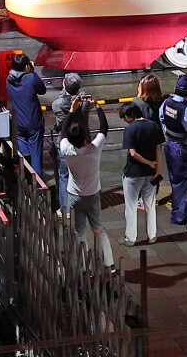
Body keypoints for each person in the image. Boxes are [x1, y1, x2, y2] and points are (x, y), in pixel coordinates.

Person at [57, 95, 113, 270]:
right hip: (93, 194)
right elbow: (104, 128)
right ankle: (109, 263)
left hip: (74, 196)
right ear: (85, 138)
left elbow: (63, 131)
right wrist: (98, 106)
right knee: (98, 229)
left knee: (79, 232)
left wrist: (72, 110)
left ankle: (84, 267)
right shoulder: (94, 149)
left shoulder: (66, 149)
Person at [160, 74, 187, 225]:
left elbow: (163, 120)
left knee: (175, 180)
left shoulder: (167, 102)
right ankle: (180, 215)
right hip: (184, 149)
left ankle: (184, 210)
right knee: (184, 182)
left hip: (170, 145)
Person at [119, 103, 162, 246]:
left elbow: (133, 153)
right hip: (150, 174)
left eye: (125, 118)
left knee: (131, 206)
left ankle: (130, 238)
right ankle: (152, 235)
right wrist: (156, 168)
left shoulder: (130, 129)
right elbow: (158, 148)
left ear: (130, 115)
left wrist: (148, 162)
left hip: (133, 173)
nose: (125, 121)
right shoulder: (153, 125)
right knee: (150, 204)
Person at [6, 54, 47, 176]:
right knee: (36, 156)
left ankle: (26, 182)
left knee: (24, 158)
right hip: (34, 123)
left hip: (18, 124)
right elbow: (42, 90)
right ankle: (38, 186)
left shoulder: (8, 80)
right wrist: (32, 72)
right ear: (26, 66)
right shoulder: (31, 77)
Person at [51, 72, 86, 214]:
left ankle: (65, 208)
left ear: (64, 86)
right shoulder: (84, 103)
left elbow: (60, 124)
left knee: (64, 176)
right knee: (79, 174)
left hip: (64, 143)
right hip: (80, 143)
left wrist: (65, 90)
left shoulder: (57, 105)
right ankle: (80, 203)